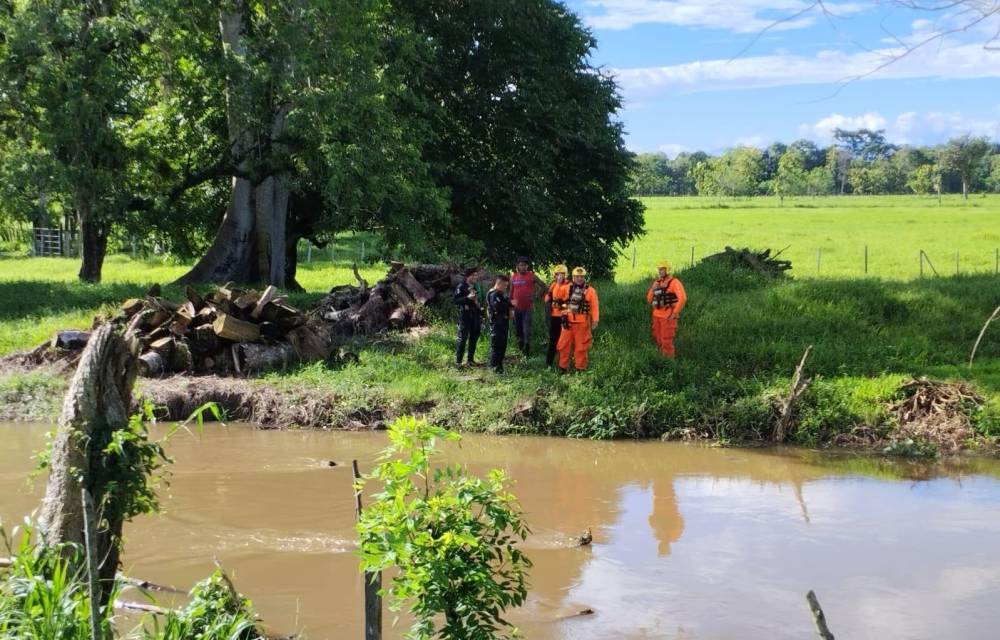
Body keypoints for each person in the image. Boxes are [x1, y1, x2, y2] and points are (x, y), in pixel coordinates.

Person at [557, 267, 599, 372]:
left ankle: (580, 369)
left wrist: (595, 320)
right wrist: (558, 283)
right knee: (564, 346)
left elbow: (594, 307)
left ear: (584, 277)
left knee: (581, 347)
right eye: (577, 276)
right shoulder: (567, 288)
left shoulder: (590, 291)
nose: (579, 279)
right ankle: (563, 368)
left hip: (582, 324)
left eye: (581, 276)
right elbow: (557, 295)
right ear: (573, 277)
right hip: (567, 323)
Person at [646, 261, 687, 358]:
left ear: (667, 270)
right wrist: (653, 288)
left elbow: (683, 298)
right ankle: (661, 358)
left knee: (666, 340)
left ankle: (668, 362)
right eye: (659, 269)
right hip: (656, 315)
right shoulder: (657, 283)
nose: (659, 271)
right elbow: (649, 299)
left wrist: (675, 313)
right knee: (658, 338)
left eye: (662, 269)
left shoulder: (674, 283)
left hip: (668, 316)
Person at [510, 256, 545, 357]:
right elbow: (511, 293)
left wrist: (536, 296)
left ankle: (527, 352)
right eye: (521, 265)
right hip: (516, 309)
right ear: (517, 266)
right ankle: (521, 350)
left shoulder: (532, 276)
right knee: (518, 331)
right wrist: (510, 307)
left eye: (525, 265)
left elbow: (543, 286)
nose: (524, 267)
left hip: (528, 309)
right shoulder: (513, 277)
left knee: (527, 330)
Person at [453, 267, 482, 366]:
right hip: (465, 314)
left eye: (476, 275)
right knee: (463, 337)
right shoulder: (461, 286)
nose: (476, 277)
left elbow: (481, 300)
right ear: (468, 276)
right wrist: (467, 298)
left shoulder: (477, 286)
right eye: (474, 275)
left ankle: (470, 360)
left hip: (476, 314)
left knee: (474, 336)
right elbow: (456, 301)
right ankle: (458, 362)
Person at [543, 264, 569, 367]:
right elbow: (547, 298)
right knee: (552, 340)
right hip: (553, 317)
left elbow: (569, 301)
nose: (559, 276)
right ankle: (548, 363)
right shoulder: (553, 285)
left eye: (562, 274)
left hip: (564, 317)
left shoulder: (568, 286)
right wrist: (549, 299)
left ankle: (562, 363)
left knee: (563, 342)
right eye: (557, 274)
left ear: (565, 275)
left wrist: (560, 304)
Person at [487, 275, 512, 373]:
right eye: (505, 285)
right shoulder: (494, 294)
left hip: (503, 323)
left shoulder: (500, 294)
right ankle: (493, 367)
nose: (506, 287)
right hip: (497, 323)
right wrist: (510, 304)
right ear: (499, 283)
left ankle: (499, 367)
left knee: (502, 345)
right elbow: (498, 307)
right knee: (497, 345)